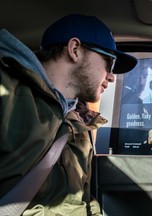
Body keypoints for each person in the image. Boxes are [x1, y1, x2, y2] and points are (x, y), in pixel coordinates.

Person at [0, 14, 137, 215]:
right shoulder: (7, 93)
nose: (112, 76)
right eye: (109, 63)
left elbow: (81, 201)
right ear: (75, 50)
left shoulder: (79, 123)